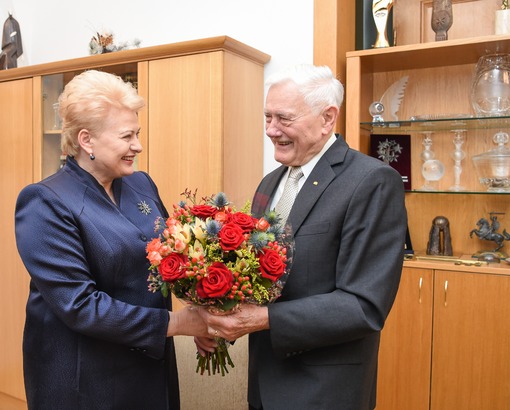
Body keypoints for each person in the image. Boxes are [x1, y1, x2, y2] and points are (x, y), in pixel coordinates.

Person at [196, 64, 408, 409]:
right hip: (266, 383)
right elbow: (254, 277)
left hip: (324, 389)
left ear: (327, 118)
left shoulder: (371, 181)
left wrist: (262, 320)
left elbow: (364, 305)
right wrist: (222, 319)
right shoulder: (270, 183)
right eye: (266, 117)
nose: (270, 130)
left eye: (283, 118)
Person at [15, 70, 209, 410]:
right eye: (126, 136)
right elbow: (80, 306)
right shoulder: (45, 201)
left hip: (147, 364)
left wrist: (203, 309)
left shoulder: (140, 184)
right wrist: (176, 323)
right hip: (86, 378)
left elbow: (168, 260)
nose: (138, 145)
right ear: (87, 140)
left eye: (137, 133)